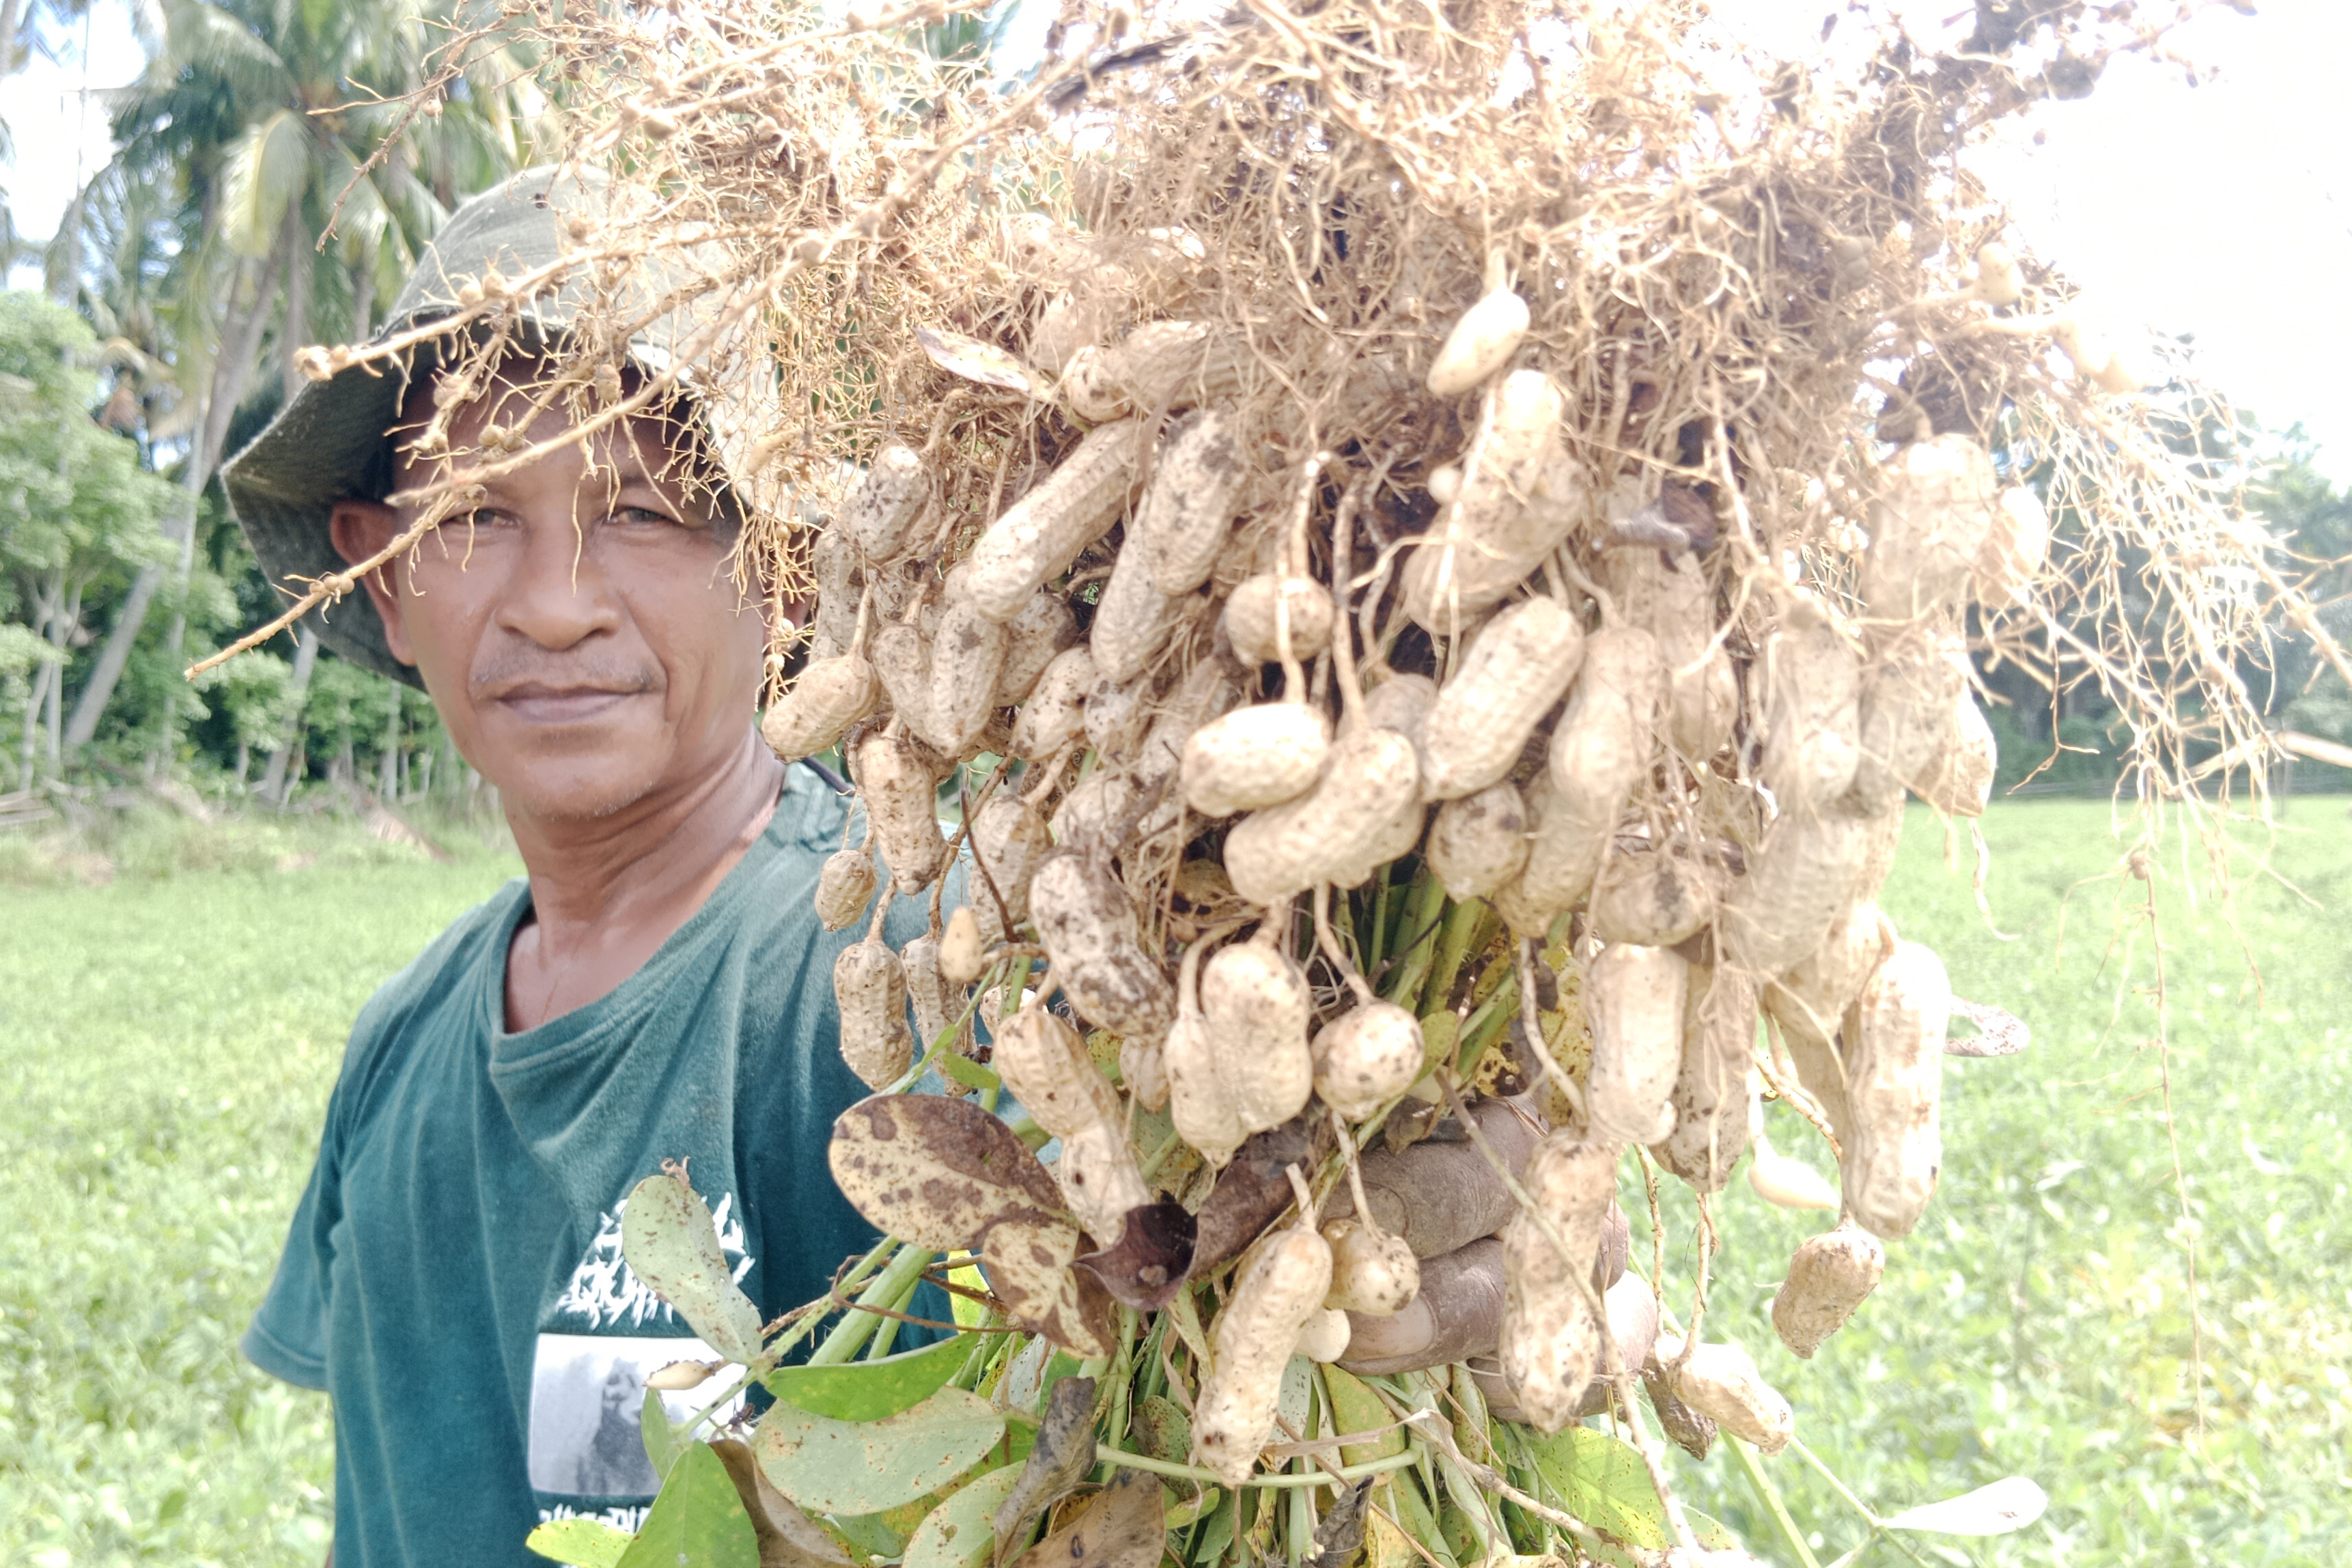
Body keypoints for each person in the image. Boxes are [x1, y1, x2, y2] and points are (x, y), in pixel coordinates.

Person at [225, 168, 929, 1564]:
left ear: (784, 567)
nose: (553, 604)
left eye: (647, 511)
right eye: (478, 514)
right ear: (382, 574)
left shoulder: (888, 967)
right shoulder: (398, 1050)